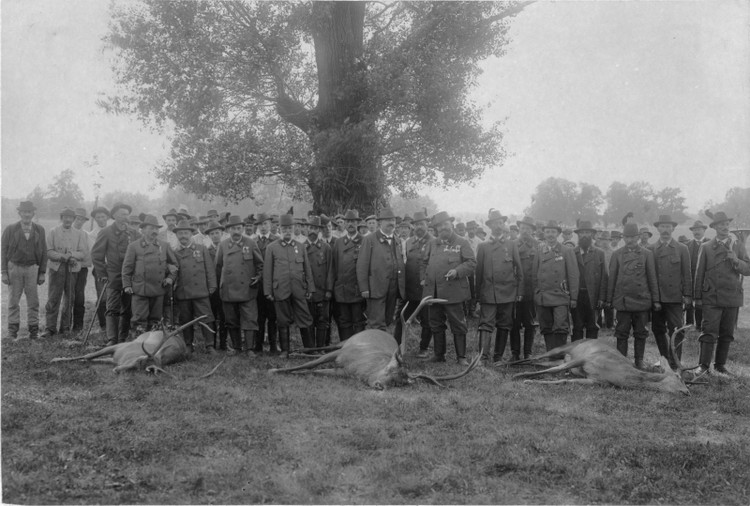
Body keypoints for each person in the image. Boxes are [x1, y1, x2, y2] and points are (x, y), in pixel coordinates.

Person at [693, 211, 750, 376]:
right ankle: (703, 366)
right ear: (715, 227)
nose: (725, 227)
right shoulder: (706, 247)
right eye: (721, 225)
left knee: (727, 333)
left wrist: (736, 260)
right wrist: (697, 297)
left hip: (732, 296)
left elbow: (748, 269)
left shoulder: (738, 245)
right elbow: (699, 274)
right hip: (712, 297)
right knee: (708, 332)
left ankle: (720, 365)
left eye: (726, 224)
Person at [421, 211, 476, 364]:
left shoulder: (462, 242)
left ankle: (461, 357)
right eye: (440, 225)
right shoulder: (432, 243)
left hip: (454, 292)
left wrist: (457, 271)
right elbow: (424, 263)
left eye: (446, 224)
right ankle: (439, 355)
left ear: (451, 224)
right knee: (436, 323)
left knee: (458, 324)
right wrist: (423, 278)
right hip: (433, 292)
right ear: (436, 228)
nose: (443, 228)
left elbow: (471, 263)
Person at [606, 222, 659, 369]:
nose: (630, 240)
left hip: (641, 299)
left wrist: (656, 299)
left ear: (638, 237)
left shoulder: (647, 254)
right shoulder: (617, 254)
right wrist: (609, 299)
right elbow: (612, 279)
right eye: (627, 237)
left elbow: (652, 278)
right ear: (623, 237)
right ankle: (621, 361)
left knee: (641, 332)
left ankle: (639, 361)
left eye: (633, 237)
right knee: (621, 332)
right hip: (622, 300)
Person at [475, 210, 523, 365]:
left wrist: (519, 291)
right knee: (486, 323)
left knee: (504, 323)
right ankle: (482, 357)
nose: (498, 226)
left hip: (508, 292)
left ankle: (498, 357)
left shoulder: (512, 244)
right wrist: (477, 295)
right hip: (488, 292)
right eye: (495, 223)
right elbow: (479, 272)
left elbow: (519, 271)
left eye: (501, 223)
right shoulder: (483, 246)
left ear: (504, 225)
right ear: (489, 226)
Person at [264, 214, 315, 353]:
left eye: (289, 228)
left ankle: (309, 350)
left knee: (305, 317)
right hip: (280, 289)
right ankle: (285, 351)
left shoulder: (301, 246)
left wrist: (310, 287)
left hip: (299, 289)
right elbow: (267, 271)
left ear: (293, 229)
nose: (287, 231)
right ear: (279, 229)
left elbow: (307, 268)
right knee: (282, 320)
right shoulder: (272, 247)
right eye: (284, 228)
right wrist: (268, 291)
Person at [121, 214, 178, 336]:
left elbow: (174, 266)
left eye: (156, 229)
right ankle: (137, 347)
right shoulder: (134, 246)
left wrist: (170, 278)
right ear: (143, 230)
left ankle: (152, 348)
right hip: (140, 289)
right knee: (138, 321)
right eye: (151, 228)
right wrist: (127, 285)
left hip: (158, 290)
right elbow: (127, 268)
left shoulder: (164, 245)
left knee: (155, 321)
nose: (154, 231)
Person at [92, 202, 139, 345]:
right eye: (122, 214)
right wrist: (103, 273)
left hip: (130, 277)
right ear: (114, 216)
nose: (125, 217)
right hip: (113, 276)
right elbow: (96, 254)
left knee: (128, 307)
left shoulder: (134, 233)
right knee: (112, 307)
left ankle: (123, 337)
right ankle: (112, 339)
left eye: (127, 214)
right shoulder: (106, 232)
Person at [215, 215, 264, 355]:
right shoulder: (223, 245)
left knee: (250, 319)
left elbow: (260, 264)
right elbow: (218, 267)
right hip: (229, 290)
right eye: (233, 229)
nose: (236, 231)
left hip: (247, 288)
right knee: (231, 320)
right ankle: (237, 347)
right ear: (228, 230)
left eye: (238, 228)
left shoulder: (250, 243)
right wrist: (222, 284)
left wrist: (258, 277)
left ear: (242, 229)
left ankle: (249, 349)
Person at [648, 214, 692, 368]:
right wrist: (653, 298)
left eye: (668, 227)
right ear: (658, 228)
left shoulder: (682, 248)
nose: (665, 230)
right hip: (657, 298)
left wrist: (687, 295)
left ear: (673, 228)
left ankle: (675, 362)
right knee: (658, 329)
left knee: (677, 330)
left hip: (674, 298)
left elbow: (687, 274)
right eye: (662, 226)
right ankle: (664, 359)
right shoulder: (651, 249)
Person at [1, 201, 47, 340]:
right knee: (13, 301)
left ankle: (33, 331)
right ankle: (12, 332)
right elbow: (3, 251)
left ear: (33, 213)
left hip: (32, 268)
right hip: (14, 267)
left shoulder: (39, 229)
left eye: (29, 212)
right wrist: (3, 271)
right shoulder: (10, 229)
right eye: (24, 212)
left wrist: (42, 272)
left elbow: (44, 251)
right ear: (20, 213)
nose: (27, 214)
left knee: (33, 301)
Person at [41, 207, 89, 338]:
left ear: (73, 219)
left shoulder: (79, 234)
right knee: (53, 297)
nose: (68, 220)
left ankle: (65, 327)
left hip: (72, 269)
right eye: (65, 217)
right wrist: (61, 256)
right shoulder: (53, 232)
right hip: (57, 269)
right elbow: (49, 251)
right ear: (61, 218)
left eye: (70, 217)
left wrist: (72, 256)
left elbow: (83, 252)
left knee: (69, 298)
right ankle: (50, 328)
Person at [532, 220, 579, 351]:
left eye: (553, 232)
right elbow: (534, 275)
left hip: (560, 296)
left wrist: (574, 297)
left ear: (558, 234)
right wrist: (536, 293)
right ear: (544, 234)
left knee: (560, 326)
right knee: (546, 326)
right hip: (543, 296)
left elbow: (573, 276)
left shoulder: (566, 251)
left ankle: (559, 356)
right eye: (547, 232)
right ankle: (550, 354)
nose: (550, 235)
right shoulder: (539, 251)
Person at [172, 219, 217, 353]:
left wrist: (212, 285)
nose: (183, 236)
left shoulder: (201, 249)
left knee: (206, 318)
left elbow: (209, 268)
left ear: (191, 234)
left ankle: (209, 345)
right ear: (177, 235)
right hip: (183, 292)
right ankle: (188, 345)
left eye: (186, 233)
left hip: (201, 291)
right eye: (180, 234)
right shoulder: (174, 252)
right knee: (186, 319)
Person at [357, 208, 405, 331]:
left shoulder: (397, 240)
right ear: (380, 223)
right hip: (376, 288)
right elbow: (362, 265)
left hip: (393, 288)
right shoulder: (369, 240)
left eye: (393, 220)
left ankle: (381, 345)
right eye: (388, 220)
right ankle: (375, 348)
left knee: (388, 319)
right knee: (376, 322)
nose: (391, 223)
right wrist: (364, 288)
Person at [394, 211, 433, 357]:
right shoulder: (408, 242)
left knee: (427, 321)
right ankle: (396, 346)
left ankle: (424, 348)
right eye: (416, 224)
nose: (419, 227)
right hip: (409, 289)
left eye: (421, 224)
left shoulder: (434, 241)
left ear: (427, 224)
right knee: (401, 318)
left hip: (426, 289)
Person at [331, 210, 366, 341]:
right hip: (342, 288)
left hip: (357, 289)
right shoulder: (338, 243)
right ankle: (345, 347)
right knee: (344, 321)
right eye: (348, 222)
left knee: (358, 320)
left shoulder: (364, 241)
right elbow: (333, 266)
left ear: (357, 223)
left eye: (353, 221)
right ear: (344, 224)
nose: (350, 224)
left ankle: (358, 348)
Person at [571, 220, 607, 341]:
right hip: (576, 296)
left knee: (592, 326)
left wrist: (602, 297)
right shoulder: (571, 253)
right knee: (577, 326)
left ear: (592, 235)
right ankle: (577, 355)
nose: (585, 235)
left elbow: (604, 277)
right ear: (578, 235)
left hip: (593, 296)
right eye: (582, 232)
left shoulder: (599, 253)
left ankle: (590, 355)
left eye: (587, 232)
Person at [251, 213, 280, 354]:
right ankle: (258, 345)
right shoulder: (252, 241)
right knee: (259, 316)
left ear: (270, 225)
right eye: (260, 224)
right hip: (257, 285)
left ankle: (274, 345)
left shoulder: (277, 240)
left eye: (265, 224)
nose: (263, 227)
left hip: (273, 284)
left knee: (273, 316)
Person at [510, 216, 538, 359]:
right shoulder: (512, 244)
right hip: (514, 289)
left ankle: (528, 353)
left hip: (531, 290)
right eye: (522, 228)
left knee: (530, 323)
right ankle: (515, 353)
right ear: (519, 229)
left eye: (528, 228)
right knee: (514, 322)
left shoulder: (538, 246)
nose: (525, 231)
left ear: (533, 230)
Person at [305, 216, 334, 348]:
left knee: (323, 320)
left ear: (319, 230)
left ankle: (321, 347)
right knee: (309, 320)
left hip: (322, 291)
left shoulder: (326, 248)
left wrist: (329, 290)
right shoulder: (301, 247)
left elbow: (330, 270)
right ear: (307, 229)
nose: (312, 231)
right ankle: (311, 348)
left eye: (315, 228)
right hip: (308, 291)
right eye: (310, 227)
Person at [205, 220, 227, 350]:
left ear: (222, 233)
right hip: (212, 289)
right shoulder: (206, 251)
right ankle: (211, 343)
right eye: (212, 233)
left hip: (225, 287)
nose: (215, 235)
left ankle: (223, 343)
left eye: (217, 233)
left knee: (224, 316)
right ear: (209, 236)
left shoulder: (228, 248)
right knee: (212, 316)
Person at [71, 208, 93, 334]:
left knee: (79, 296)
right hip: (68, 268)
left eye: (82, 219)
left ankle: (78, 325)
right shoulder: (67, 232)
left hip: (82, 268)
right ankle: (65, 325)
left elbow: (88, 252)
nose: (79, 221)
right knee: (69, 296)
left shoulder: (85, 235)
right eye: (77, 218)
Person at [89, 206, 110, 333]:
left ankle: (114, 323)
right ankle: (103, 324)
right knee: (102, 297)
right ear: (95, 219)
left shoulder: (113, 230)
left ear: (107, 217)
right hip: (100, 268)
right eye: (98, 217)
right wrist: (102, 267)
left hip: (114, 267)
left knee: (115, 296)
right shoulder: (92, 234)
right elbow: (95, 253)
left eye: (103, 217)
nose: (101, 219)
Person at [686, 220, 710, 329]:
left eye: (699, 229)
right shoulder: (687, 246)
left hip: (706, 280)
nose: (697, 232)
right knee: (689, 303)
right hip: (691, 279)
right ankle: (689, 324)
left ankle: (700, 325)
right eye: (694, 229)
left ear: (704, 230)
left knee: (703, 303)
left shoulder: (710, 243)